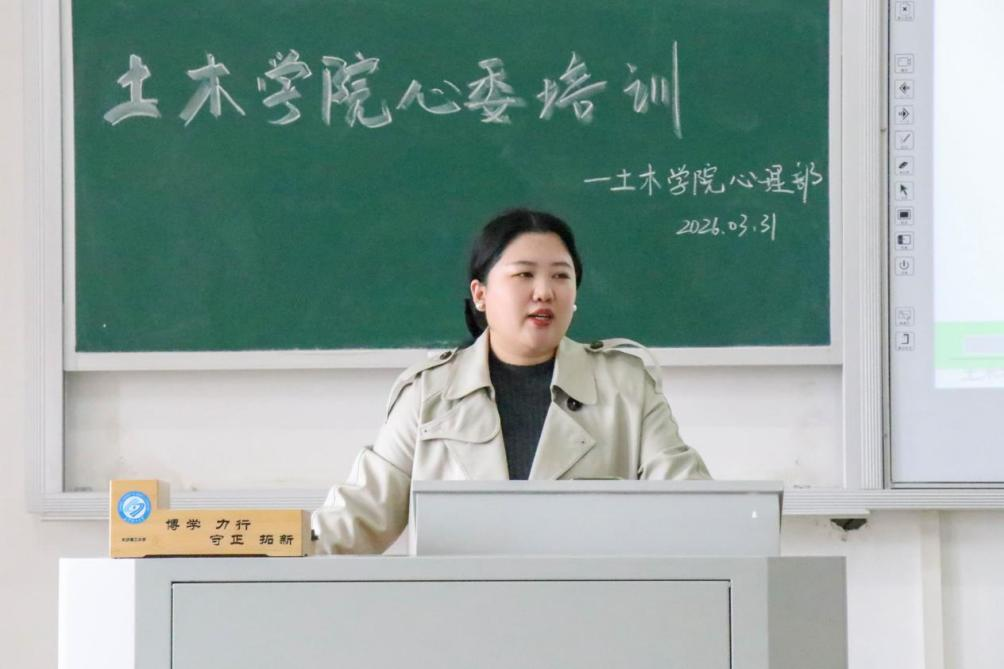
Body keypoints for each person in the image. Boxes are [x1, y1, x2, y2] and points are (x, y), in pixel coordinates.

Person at [312, 209, 710, 554]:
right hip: (458, 608)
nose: (545, 292)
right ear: (480, 294)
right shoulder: (429, 394)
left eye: (561, 275)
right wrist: (280, 545)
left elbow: (692, 508)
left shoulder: (626, 386)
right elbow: (357, 519)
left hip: (591, 606)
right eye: (524, 274)